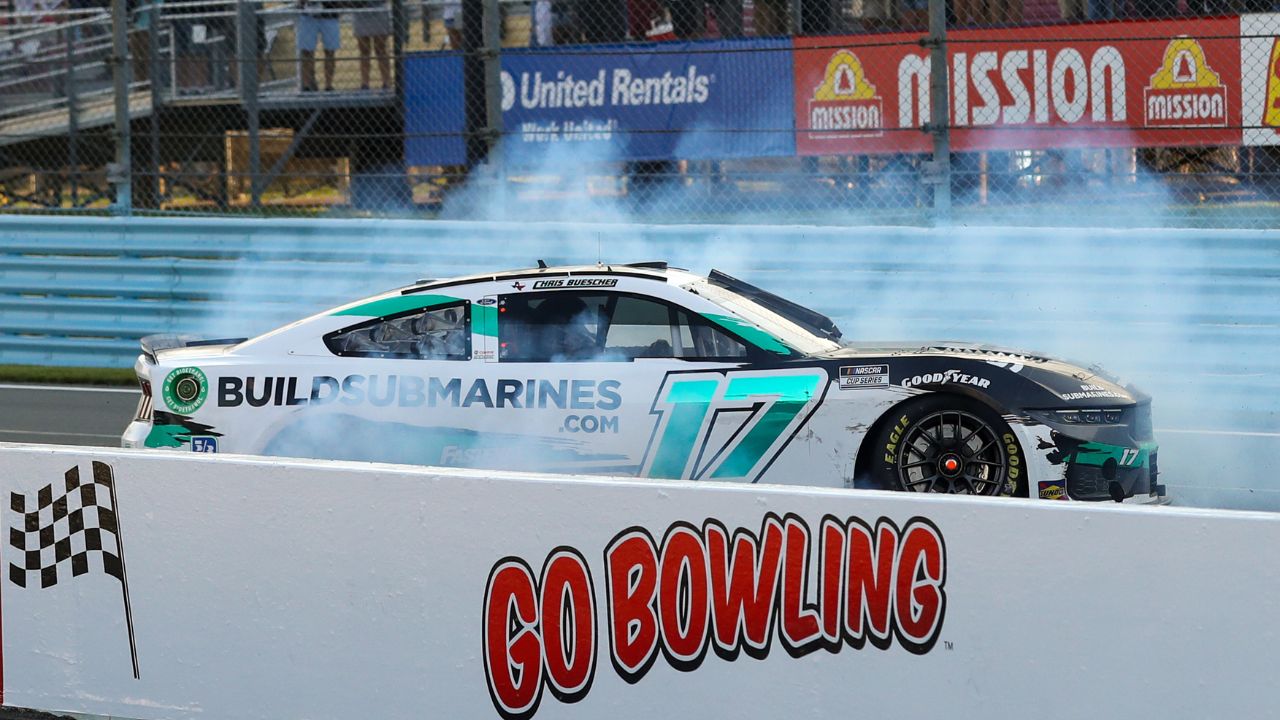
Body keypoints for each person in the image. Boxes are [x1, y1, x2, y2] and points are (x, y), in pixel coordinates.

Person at [296, 0, 339, 91]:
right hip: (308, 15)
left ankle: (328, 86)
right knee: (306, 51)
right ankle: (306, 86)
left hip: (330, 14)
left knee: (330, 51)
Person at [353, 0, 390, 89]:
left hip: (378, 9)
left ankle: (386, 82)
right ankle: (365, 83)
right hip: (360, 11)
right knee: (364, 50)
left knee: (381, 49)